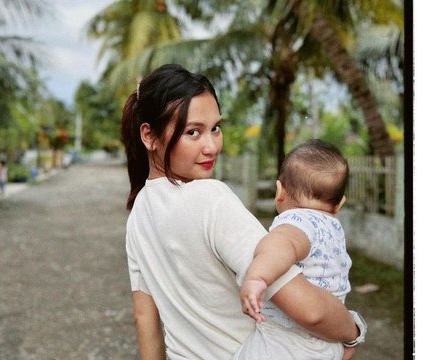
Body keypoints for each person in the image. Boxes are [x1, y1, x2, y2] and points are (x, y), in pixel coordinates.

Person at [121, 64, 364, 359]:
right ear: (149, 136)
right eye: (193, 132)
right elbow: (310, 310)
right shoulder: (211, 199)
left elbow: (145, 319)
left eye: (215, 128)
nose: (211, 146)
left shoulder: (139, 214)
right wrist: (352, 331)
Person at [236, 139, 364, 359]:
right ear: (339, 204)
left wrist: (257, 278)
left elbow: (280, 245)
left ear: (280, 191)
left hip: (287, 341)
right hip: (329, 344)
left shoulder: (296, 220)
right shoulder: (334, 229)